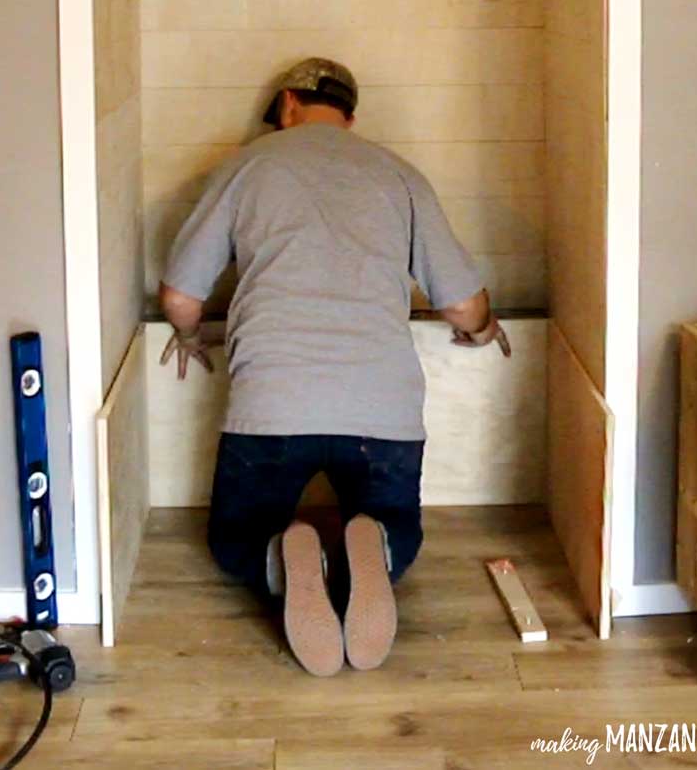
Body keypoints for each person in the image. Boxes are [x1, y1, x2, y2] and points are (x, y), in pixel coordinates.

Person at [159, 57, 511, 677]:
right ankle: (374, 545)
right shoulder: (399, 175)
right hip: (382, 411)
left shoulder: (246, 167)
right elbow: (460, 301)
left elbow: (181, 295)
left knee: (233, 539)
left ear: (288, 106)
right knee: (400, 531)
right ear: (349, 117)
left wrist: (189, 337)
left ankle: (278, 552)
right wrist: (482, 331)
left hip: (273, 403)